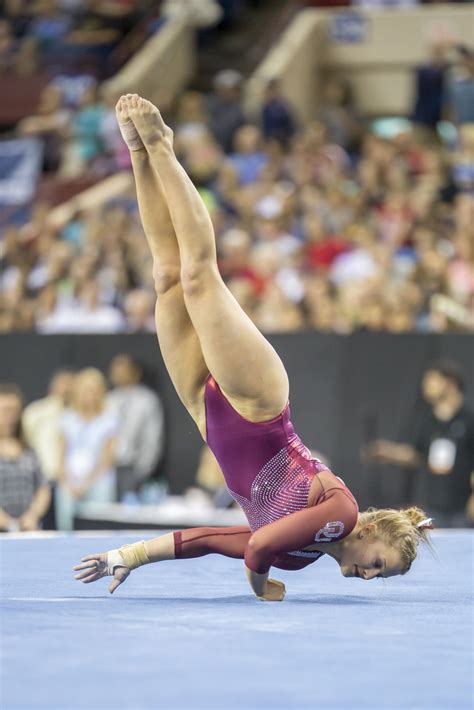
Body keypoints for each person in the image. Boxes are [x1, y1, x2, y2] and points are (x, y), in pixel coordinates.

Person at [73, 94, 433, 600]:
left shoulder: (303, 555)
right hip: (259, 406)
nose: (369, 576)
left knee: (167, 277)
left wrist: (127, 556)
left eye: (380, 577)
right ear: (371, 533)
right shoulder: (342, 515)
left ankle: (138, 153)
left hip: (210, 416)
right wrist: (260, 587)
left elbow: (217, 539)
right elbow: (257, 549)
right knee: (199, 276)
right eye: (380, 564)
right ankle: (162, 146)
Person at [366, 361, 474, 528]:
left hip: (463, 509)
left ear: (450, 383)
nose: (426, 387)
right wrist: (389, 452)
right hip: (433, 506)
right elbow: (417, 455)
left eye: (432, 381)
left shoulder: (469, 420)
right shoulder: (427, 420)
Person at [56, 368, 117, 530]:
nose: (89, 395)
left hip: (99, 482)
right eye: (85, 390)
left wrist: (86, 484)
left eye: (93, 391)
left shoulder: (109, 421)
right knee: (66, 527)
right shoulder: (67, 419)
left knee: (97, 528)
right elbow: (61, 456)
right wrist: (68, 482)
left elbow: (107, 460)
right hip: (70, 483)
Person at [107, 353, 164, 501]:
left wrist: (143, 469)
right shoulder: (109, 399)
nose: (118, 374)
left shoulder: (147, 400)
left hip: (133, 467)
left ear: (135, 372)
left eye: (123, 370)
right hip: (108, 468)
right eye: (116, 370)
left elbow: (153, 437)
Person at [0, 384, 51, 532]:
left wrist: (33, 515)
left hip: (28, 530)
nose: (9, 417)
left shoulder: (28, 449)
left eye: (13, 411)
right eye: (4, 410)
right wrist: (4, 521)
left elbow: (43, 486)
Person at [22, 369, 75, 483]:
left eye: (71, 384)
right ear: (53, 386)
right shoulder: (37, 411)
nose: (67, 388)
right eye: (64, 384)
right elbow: (24, 440)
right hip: (41, 475)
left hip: (71, 480)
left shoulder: (79, 416)